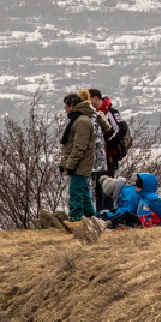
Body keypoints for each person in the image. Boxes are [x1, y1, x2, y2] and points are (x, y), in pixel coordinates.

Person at [59, 92, 98, 226]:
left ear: (72, 106)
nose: (65, 109)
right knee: (84, 193)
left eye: (66, 106)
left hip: (80, 165)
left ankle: (76, 220)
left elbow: (79, 146)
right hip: (80, 164)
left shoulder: (81, 121)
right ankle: (91, 218)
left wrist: (70, 164)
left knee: (76, 193)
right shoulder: (79, 120)